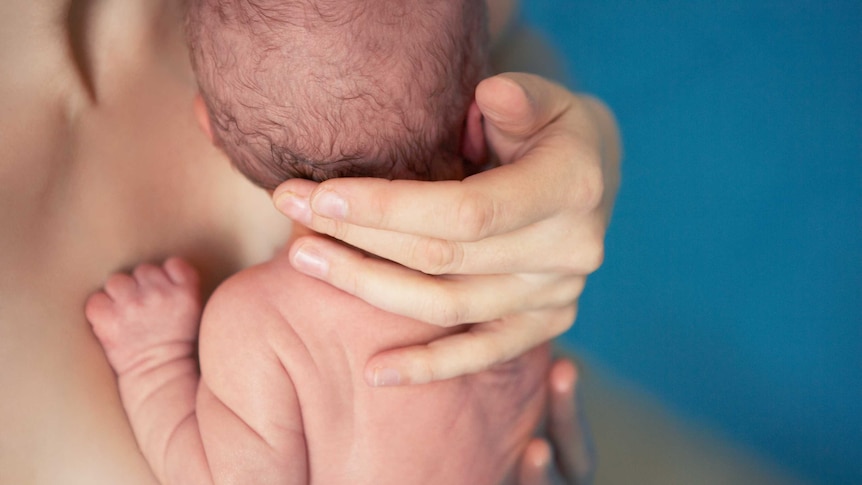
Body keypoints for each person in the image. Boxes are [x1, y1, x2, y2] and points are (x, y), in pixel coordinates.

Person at [0, 0, 616, 483]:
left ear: (211, 132)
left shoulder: (262, 326)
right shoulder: (497, 283)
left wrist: (153, 364)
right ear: (476, 127)